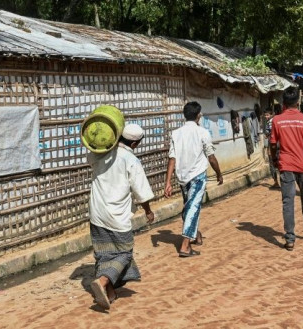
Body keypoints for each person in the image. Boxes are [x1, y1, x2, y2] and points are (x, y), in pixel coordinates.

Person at [88, 123, 155, 310]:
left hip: (96, 213)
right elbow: (141, 190)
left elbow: (90, 156)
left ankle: (109, 293)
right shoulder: (130, 159)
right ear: (135, 144)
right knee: (124, 253)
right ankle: (102, 281)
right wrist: (148, 211)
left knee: (104, 252)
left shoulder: (100, 153)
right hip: (116, 215)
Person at [165, 102, 224, 258]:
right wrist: (219, 173)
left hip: (182, 177)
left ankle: (196, 235)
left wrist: (168, 182)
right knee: (192, 208)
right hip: (197, 177)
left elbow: (172, 158)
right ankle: (185, 246)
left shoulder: (176, 133)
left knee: (188, 207)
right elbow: (211, 157)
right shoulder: (203, 132)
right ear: (199, 116)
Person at [270, 87, 303, 251]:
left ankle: (290, 239)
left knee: (287, 201)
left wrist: (274, 160)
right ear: (298, 102)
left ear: (284, 102)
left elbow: (273, 144)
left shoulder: (277, 120)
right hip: (302, 165)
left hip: (285, 165)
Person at [262, 109, 279, 189]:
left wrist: (266, 135)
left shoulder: (270, 123)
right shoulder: (277, 120)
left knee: (272, 164)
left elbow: (270, 135)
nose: (266, 117)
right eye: (265, 115)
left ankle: (276, 182)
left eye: (267, 115)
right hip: (279, 145)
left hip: (273, 145)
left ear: (272, 114)